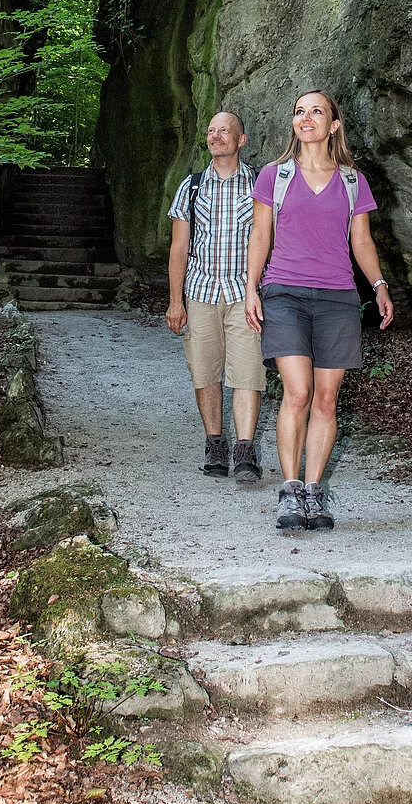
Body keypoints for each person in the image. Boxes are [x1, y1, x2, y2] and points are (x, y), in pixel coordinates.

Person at [246, 90, 394, 531]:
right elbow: (260, 234)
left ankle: (314, 492)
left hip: (338, 298)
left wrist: (380, 285)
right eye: (298, 111)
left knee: (327, 400)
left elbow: (361, 241)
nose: (305, 117)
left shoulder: (352, 180)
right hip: (284, 293)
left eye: (316, 111)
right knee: (298, 392)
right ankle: (289, 492)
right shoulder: (275, 175)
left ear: (333, 125)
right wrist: (251, 288)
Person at [166, 110, 265, 486]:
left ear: (241, 140)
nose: (216, 136)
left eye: (225, 131)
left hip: (245, 292)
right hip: (201, 292)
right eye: (211, 131)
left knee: (247, 372)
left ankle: (244, 450)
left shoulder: (260, 185)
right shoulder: (190, 187)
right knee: (205, 371)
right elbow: (178, 248)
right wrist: (176, 301)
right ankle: (215, 444)